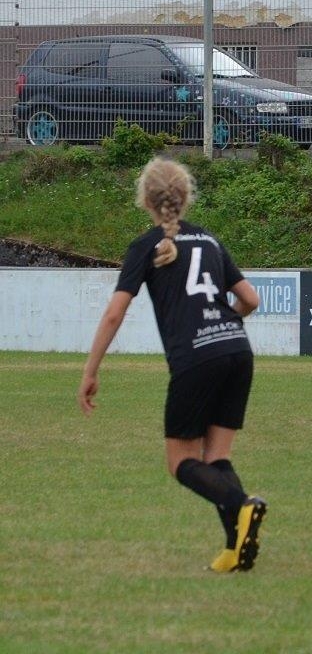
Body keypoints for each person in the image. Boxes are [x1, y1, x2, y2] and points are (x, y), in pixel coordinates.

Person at [77, 157, 267, 572]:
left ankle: (242, 504)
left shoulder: (146, 246)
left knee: (180, 461)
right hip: (238, 351)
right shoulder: (211, 241)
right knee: (216, 458)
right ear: (185, 197)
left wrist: (90, 371)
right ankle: (236, 548)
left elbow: (114, 313)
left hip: (197, 357)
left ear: (146, 200)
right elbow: (251, 299)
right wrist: (225, 325)